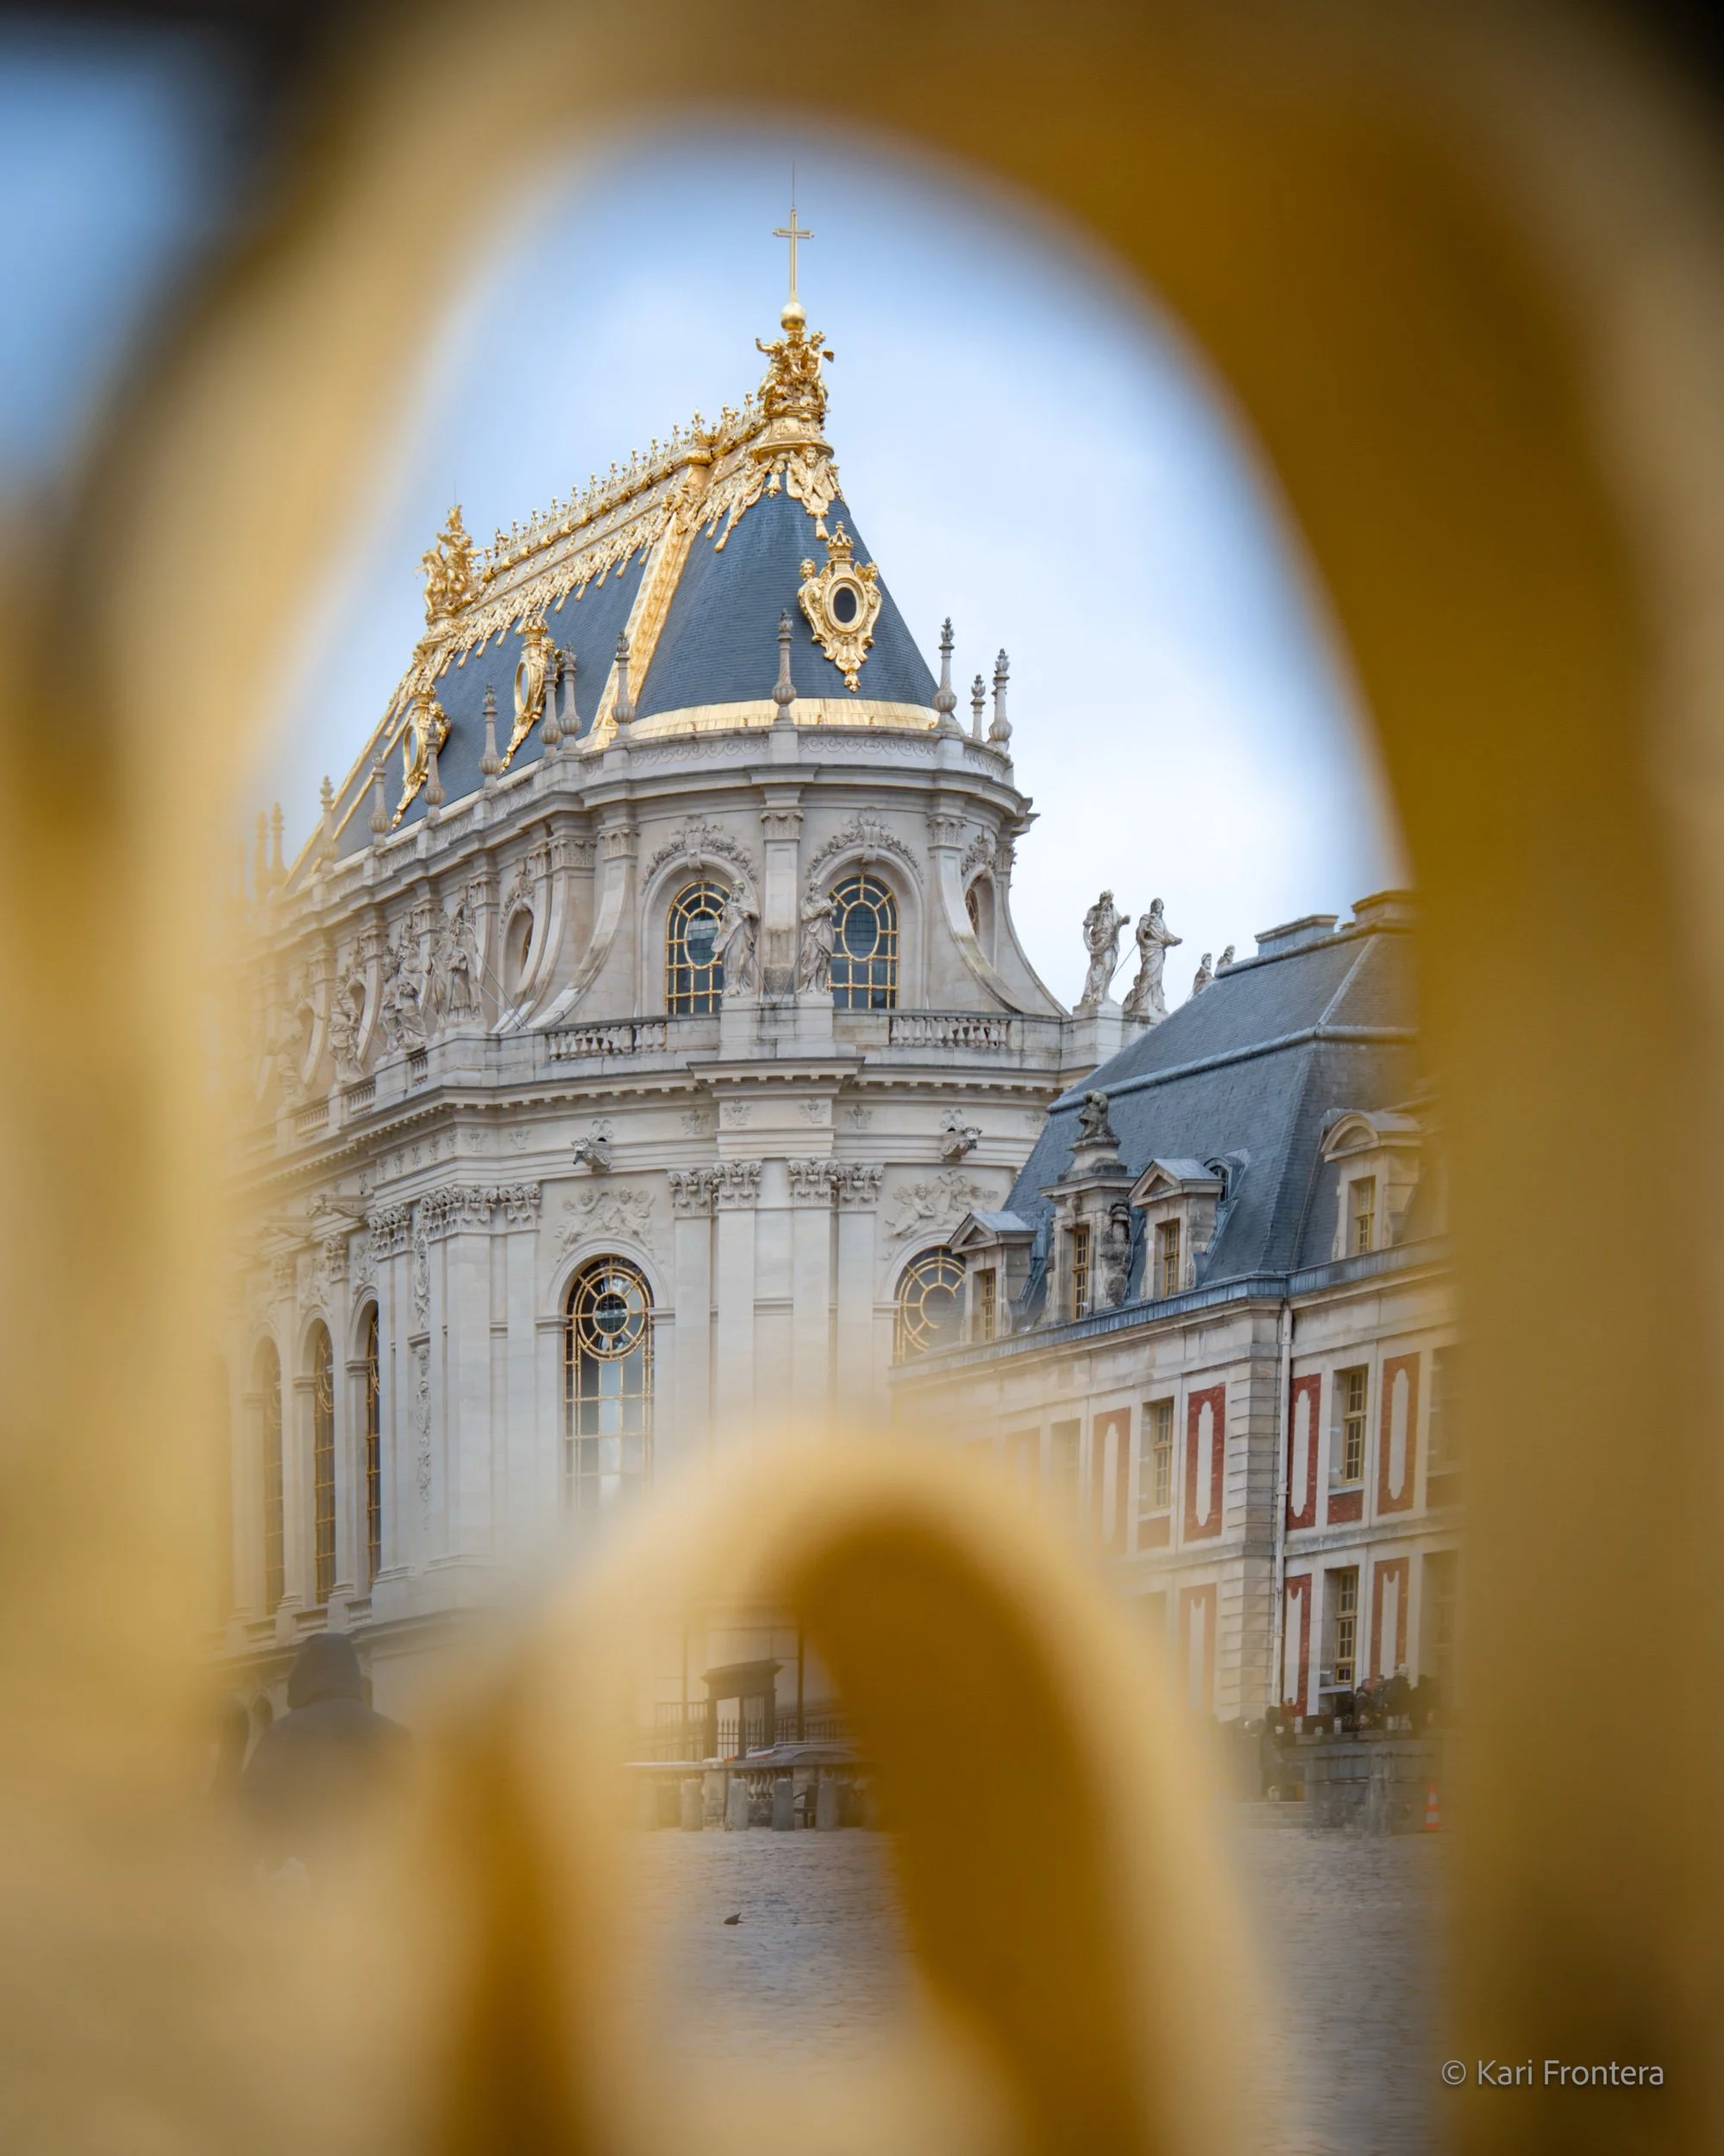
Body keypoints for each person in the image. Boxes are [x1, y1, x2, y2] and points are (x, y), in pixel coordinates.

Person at [241, 1632, 409, 1875]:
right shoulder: (396, 1736)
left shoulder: (281, 1735)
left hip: (304, 1883)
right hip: (379, 1885)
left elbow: (250, 1815)